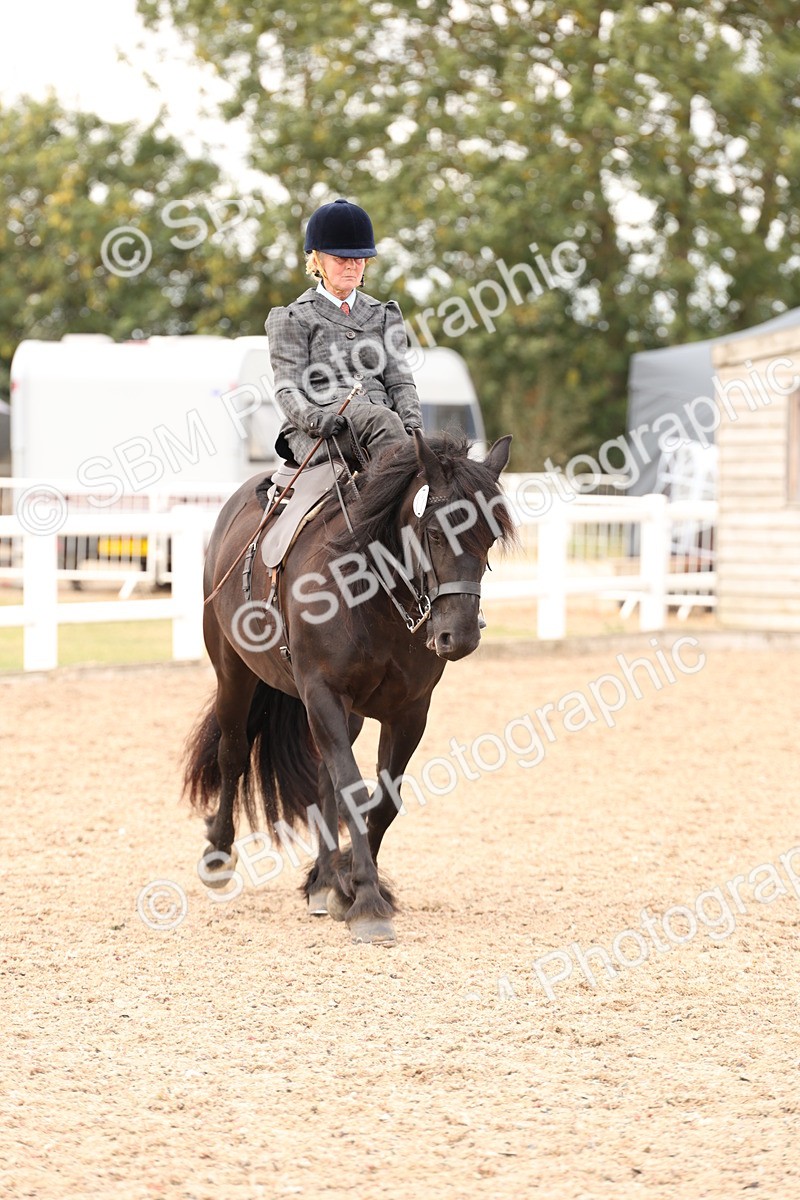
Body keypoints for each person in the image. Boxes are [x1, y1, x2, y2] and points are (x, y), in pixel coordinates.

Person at [266, 198, 423, 467]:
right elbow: (287, 387)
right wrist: (312, 418)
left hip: (384, 427)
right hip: (325, 426)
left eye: (358, 259)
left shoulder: (384, 314)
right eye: (341, 259)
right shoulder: (292, 317)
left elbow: (399, 381)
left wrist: (413, 428)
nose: (351, 266)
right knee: (384, 421)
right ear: (317, 260)